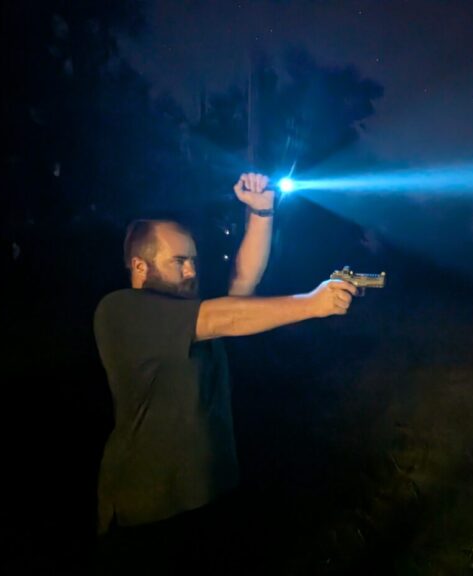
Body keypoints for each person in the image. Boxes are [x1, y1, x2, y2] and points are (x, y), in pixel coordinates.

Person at [93, 173, 356, 573]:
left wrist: (261, 211)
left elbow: (242, 281)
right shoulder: (120, 310)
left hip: (210, 491)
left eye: (193, 261)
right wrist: (312, 303)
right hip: (149, 511)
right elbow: (225, 317)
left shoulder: (187, 308)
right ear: (139, 266)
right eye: (179, 261)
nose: (190, 272)